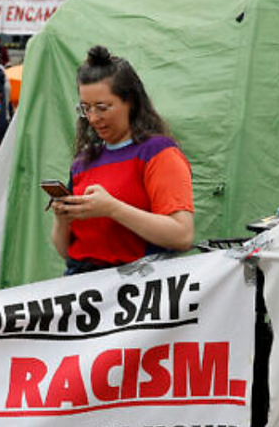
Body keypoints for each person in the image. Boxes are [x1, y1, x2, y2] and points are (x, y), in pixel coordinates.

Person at [50, 45, 194, 275]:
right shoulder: (83, 162)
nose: (93, 118)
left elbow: (182, 235)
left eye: (102, 107)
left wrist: (113, 209)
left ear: (131, 101)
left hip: (138, 286)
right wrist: (61, 219)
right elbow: (67, 251)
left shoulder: (158, 152)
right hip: (83, 284)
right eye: (85, 108)